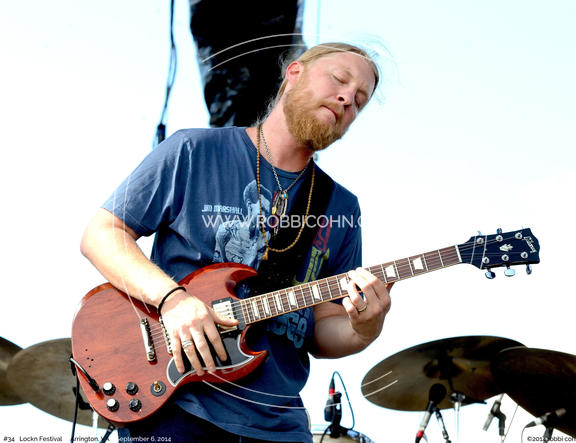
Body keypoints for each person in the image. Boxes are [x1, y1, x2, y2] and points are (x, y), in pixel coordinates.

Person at [80, 42, 393, 443]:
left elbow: (322, 326)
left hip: (279, 427)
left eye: (360, 101)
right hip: (178, 407)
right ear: (294, 74)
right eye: (339, 79)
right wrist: (172, 300)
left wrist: (364, 329)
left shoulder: (341, 207)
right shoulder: (193, 150)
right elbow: (102, 234)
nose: (348, 98)